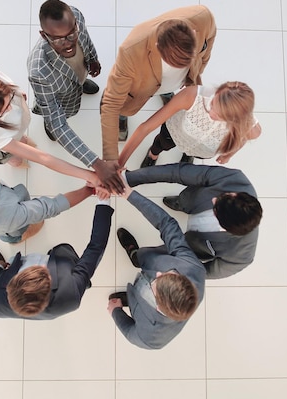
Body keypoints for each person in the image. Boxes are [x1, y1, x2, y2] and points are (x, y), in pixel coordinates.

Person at [27, 0, 123, 193]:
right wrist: (96, 164)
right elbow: (58, 123)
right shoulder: (39, 70)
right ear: (44, 36)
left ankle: (80, 84)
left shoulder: (75, 15)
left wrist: (93, 60)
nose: (69, 43)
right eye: (59, 39)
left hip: (79, 73)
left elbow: (86, 40)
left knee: (78, 79)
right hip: (61, 98)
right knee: (57, 120)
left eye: (72, 34)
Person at [100, 5, 217, 165]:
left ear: (194, 34)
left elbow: (209, 41)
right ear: (157, 48)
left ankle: (166, 92)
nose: (182, 67)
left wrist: (198, 70)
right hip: (140, 86)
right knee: (122, 107)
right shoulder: (130, 51)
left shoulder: (203, 17)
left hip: (174, 84)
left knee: (171, 89)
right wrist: (111, 159)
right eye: (175, 63)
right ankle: (124, 117)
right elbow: (111, 104)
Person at [0, 62, 101, 188]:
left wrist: (18, 95)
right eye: (3, 110)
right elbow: (43, 158)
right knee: (15, 160)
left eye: (9, 100)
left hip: (15, 128)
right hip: (3, 142)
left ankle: (21, 140)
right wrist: (89, 175)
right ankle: (15, 159)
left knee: (22, 138)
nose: (10, 109)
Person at [107, 177, 205, 350]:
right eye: (170, 275)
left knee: (131, 294)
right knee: (144, 259)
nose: (159, 273)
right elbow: (167, 225)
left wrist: (116, 312)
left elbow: (130, 332)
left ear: (158, 305)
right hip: (150, 260)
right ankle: (135, 255)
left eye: (157, 281)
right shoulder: (193, 269)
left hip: (139, 304)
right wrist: (129, 194)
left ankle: (131, 297)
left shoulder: (151, 338)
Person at [124, 163, 263, 279]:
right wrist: (128, 178)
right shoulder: (236, 180)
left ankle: (137, 257)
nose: (213, 199)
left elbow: (203, 271)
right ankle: (180, 203)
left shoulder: (242, 255)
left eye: (215, 208)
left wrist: (178, 268)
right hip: (190, 200)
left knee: (158, 256)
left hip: (189, 246)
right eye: (224, 195)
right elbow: (176, 172)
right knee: (184, 200)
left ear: (225, 226)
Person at [0, 198, 113, 319]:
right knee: (74, 264)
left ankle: (82, 278)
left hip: (11, 271)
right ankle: (84, 280)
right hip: (67, 271)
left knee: (7, 265)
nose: (41, 266)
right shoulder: (71, 293)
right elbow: (96, 247)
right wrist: (104, 201)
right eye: (44, 271)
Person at [118, 81, 261, 168]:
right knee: (161, 144)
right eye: (212, 104)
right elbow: (146, 127)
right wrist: (118, 164)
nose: (211, 113)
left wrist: (229, 155)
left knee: (191, 154)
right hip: (175, 132)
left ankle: (188, 156)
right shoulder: (193, 96)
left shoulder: (250, 127)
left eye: (219, 116)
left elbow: (243, 139)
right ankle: (152, 155)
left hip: (202, 150)